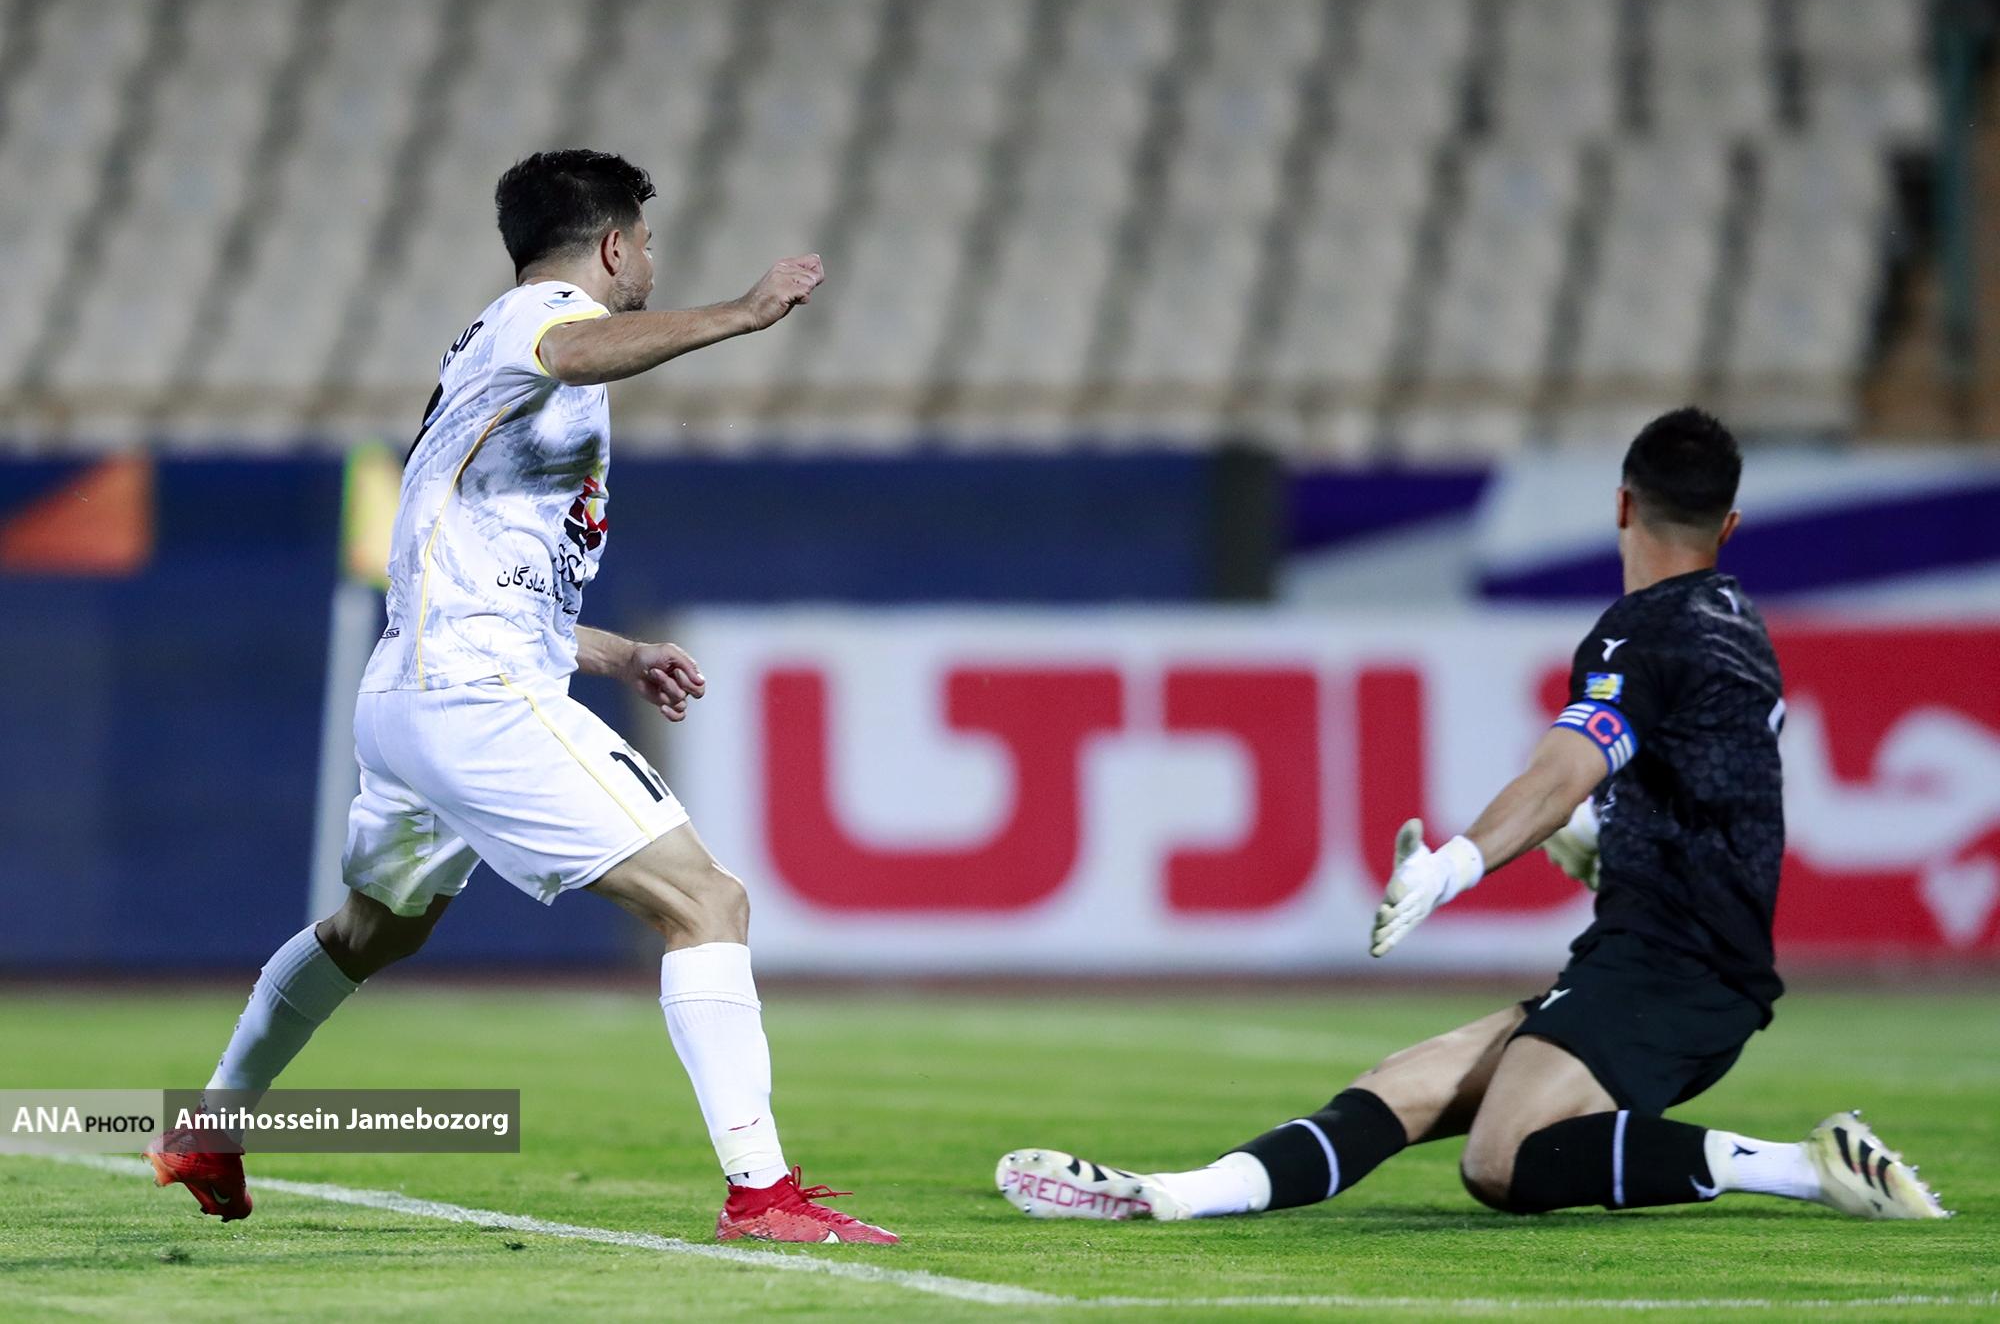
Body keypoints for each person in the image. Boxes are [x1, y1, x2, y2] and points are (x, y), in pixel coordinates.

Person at [148, 149, 896, 1245]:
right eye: (646, 242)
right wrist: (740, 313)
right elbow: (573, 347)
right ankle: (762, 1195)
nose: (651, 261)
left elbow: (497, 585)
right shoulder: (539, 324)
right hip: (473, 698)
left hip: (412, 695)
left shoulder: (486, 365)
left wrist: (621, 654)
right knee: (706, 901)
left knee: (368, 933)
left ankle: (212, 1124)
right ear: (612, 247)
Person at [997, 409, 1947, 1225]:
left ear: (1622, 505)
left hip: (1672, 969)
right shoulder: (1737, 619)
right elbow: (1702, 780)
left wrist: (1448, 866)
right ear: (1728, 524)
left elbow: (1561, 773)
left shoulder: (1642, 630)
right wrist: (1612, 842)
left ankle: (1801, 1165)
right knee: (1402, 1086)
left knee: (1503, 1158)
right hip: (1669, 955)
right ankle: (1176, 1193)